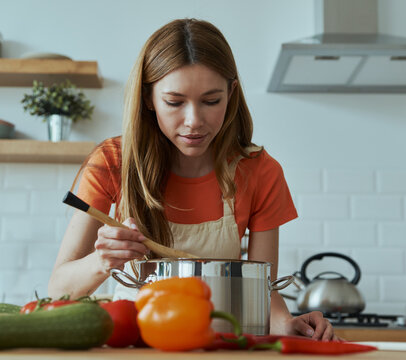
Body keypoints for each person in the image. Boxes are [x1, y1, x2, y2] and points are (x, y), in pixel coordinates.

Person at [48, 18, 336, 340]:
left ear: (231, 93)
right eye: (174, 102)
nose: (194, 121)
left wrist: (289, 325)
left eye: (212, 101)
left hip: (219, 346)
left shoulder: (260, 171)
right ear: (148, 98)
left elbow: (262, 289)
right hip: (133, 346)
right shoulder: (112, 162)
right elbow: (59, 292)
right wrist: (102, 261)